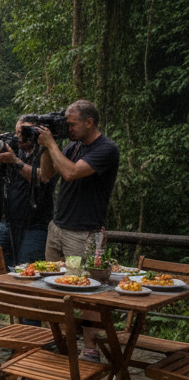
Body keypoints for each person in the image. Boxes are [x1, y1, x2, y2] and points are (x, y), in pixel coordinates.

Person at [34, 99, 119, 362]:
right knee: (54, 286)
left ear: (89, 122)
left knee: (86, 289)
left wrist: (51, 144)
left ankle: (91, 348)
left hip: (82, 233)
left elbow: (70, 173)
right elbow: (47, 174)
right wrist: (47, 149)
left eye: (71, 124)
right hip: (58, 227)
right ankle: (60, 338)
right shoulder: (73, 146)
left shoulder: (106, 149)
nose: (68, 128)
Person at [0, 118, 57, 268]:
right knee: (0, 269)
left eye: (25, 132)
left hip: (34, 225)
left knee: (27, 272)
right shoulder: (13, 150)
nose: (20, 137)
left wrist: (15, 161)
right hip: (7, 222)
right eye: (17, 132)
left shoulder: (46, 153)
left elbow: (43, 178)